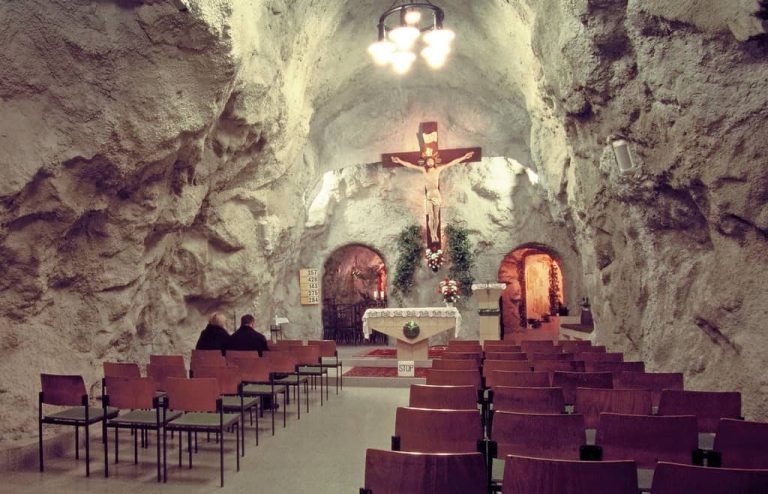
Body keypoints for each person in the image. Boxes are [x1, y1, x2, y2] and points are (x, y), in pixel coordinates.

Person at [391, 149, 474, 243]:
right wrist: (399, 161)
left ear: (434, 161)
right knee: (430, 216)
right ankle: (432, 234)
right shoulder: (424, 170)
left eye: (431, 160)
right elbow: (411, 165)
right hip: (429, 195)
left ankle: (435, 232)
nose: (430, 162)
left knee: (436, 217)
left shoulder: (438, 169)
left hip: (436, 194)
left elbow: (451, 163)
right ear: (426, 162)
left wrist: (464, 157)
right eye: (428, 161)